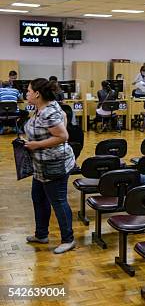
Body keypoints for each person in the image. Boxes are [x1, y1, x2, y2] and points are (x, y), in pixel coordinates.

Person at [23, 78, 76, 254]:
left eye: (29, 91)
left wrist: (36, 145)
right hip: (41, 165)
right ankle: (41, 234)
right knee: (38, 197)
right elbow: (65, 116)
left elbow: (63, 136)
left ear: (37, 94)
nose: (27, 93)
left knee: (59, 202)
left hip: (54, 165)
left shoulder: (48, 112)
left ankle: (68, 240)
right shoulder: (46, 107)